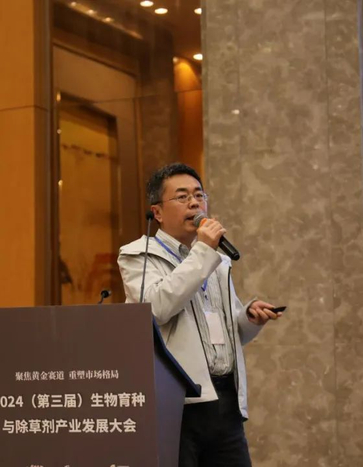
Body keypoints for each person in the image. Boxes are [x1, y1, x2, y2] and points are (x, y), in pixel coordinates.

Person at [118, 163, 283, 466]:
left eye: (199, 195)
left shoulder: (215, 261)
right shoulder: (139, 255)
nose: (194, 203)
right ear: (157, 212)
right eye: (182, 197)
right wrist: (204, 251)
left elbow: (226, 333)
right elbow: (156, 309)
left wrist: (248, 319)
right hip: (176, 405)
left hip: (225, 401)